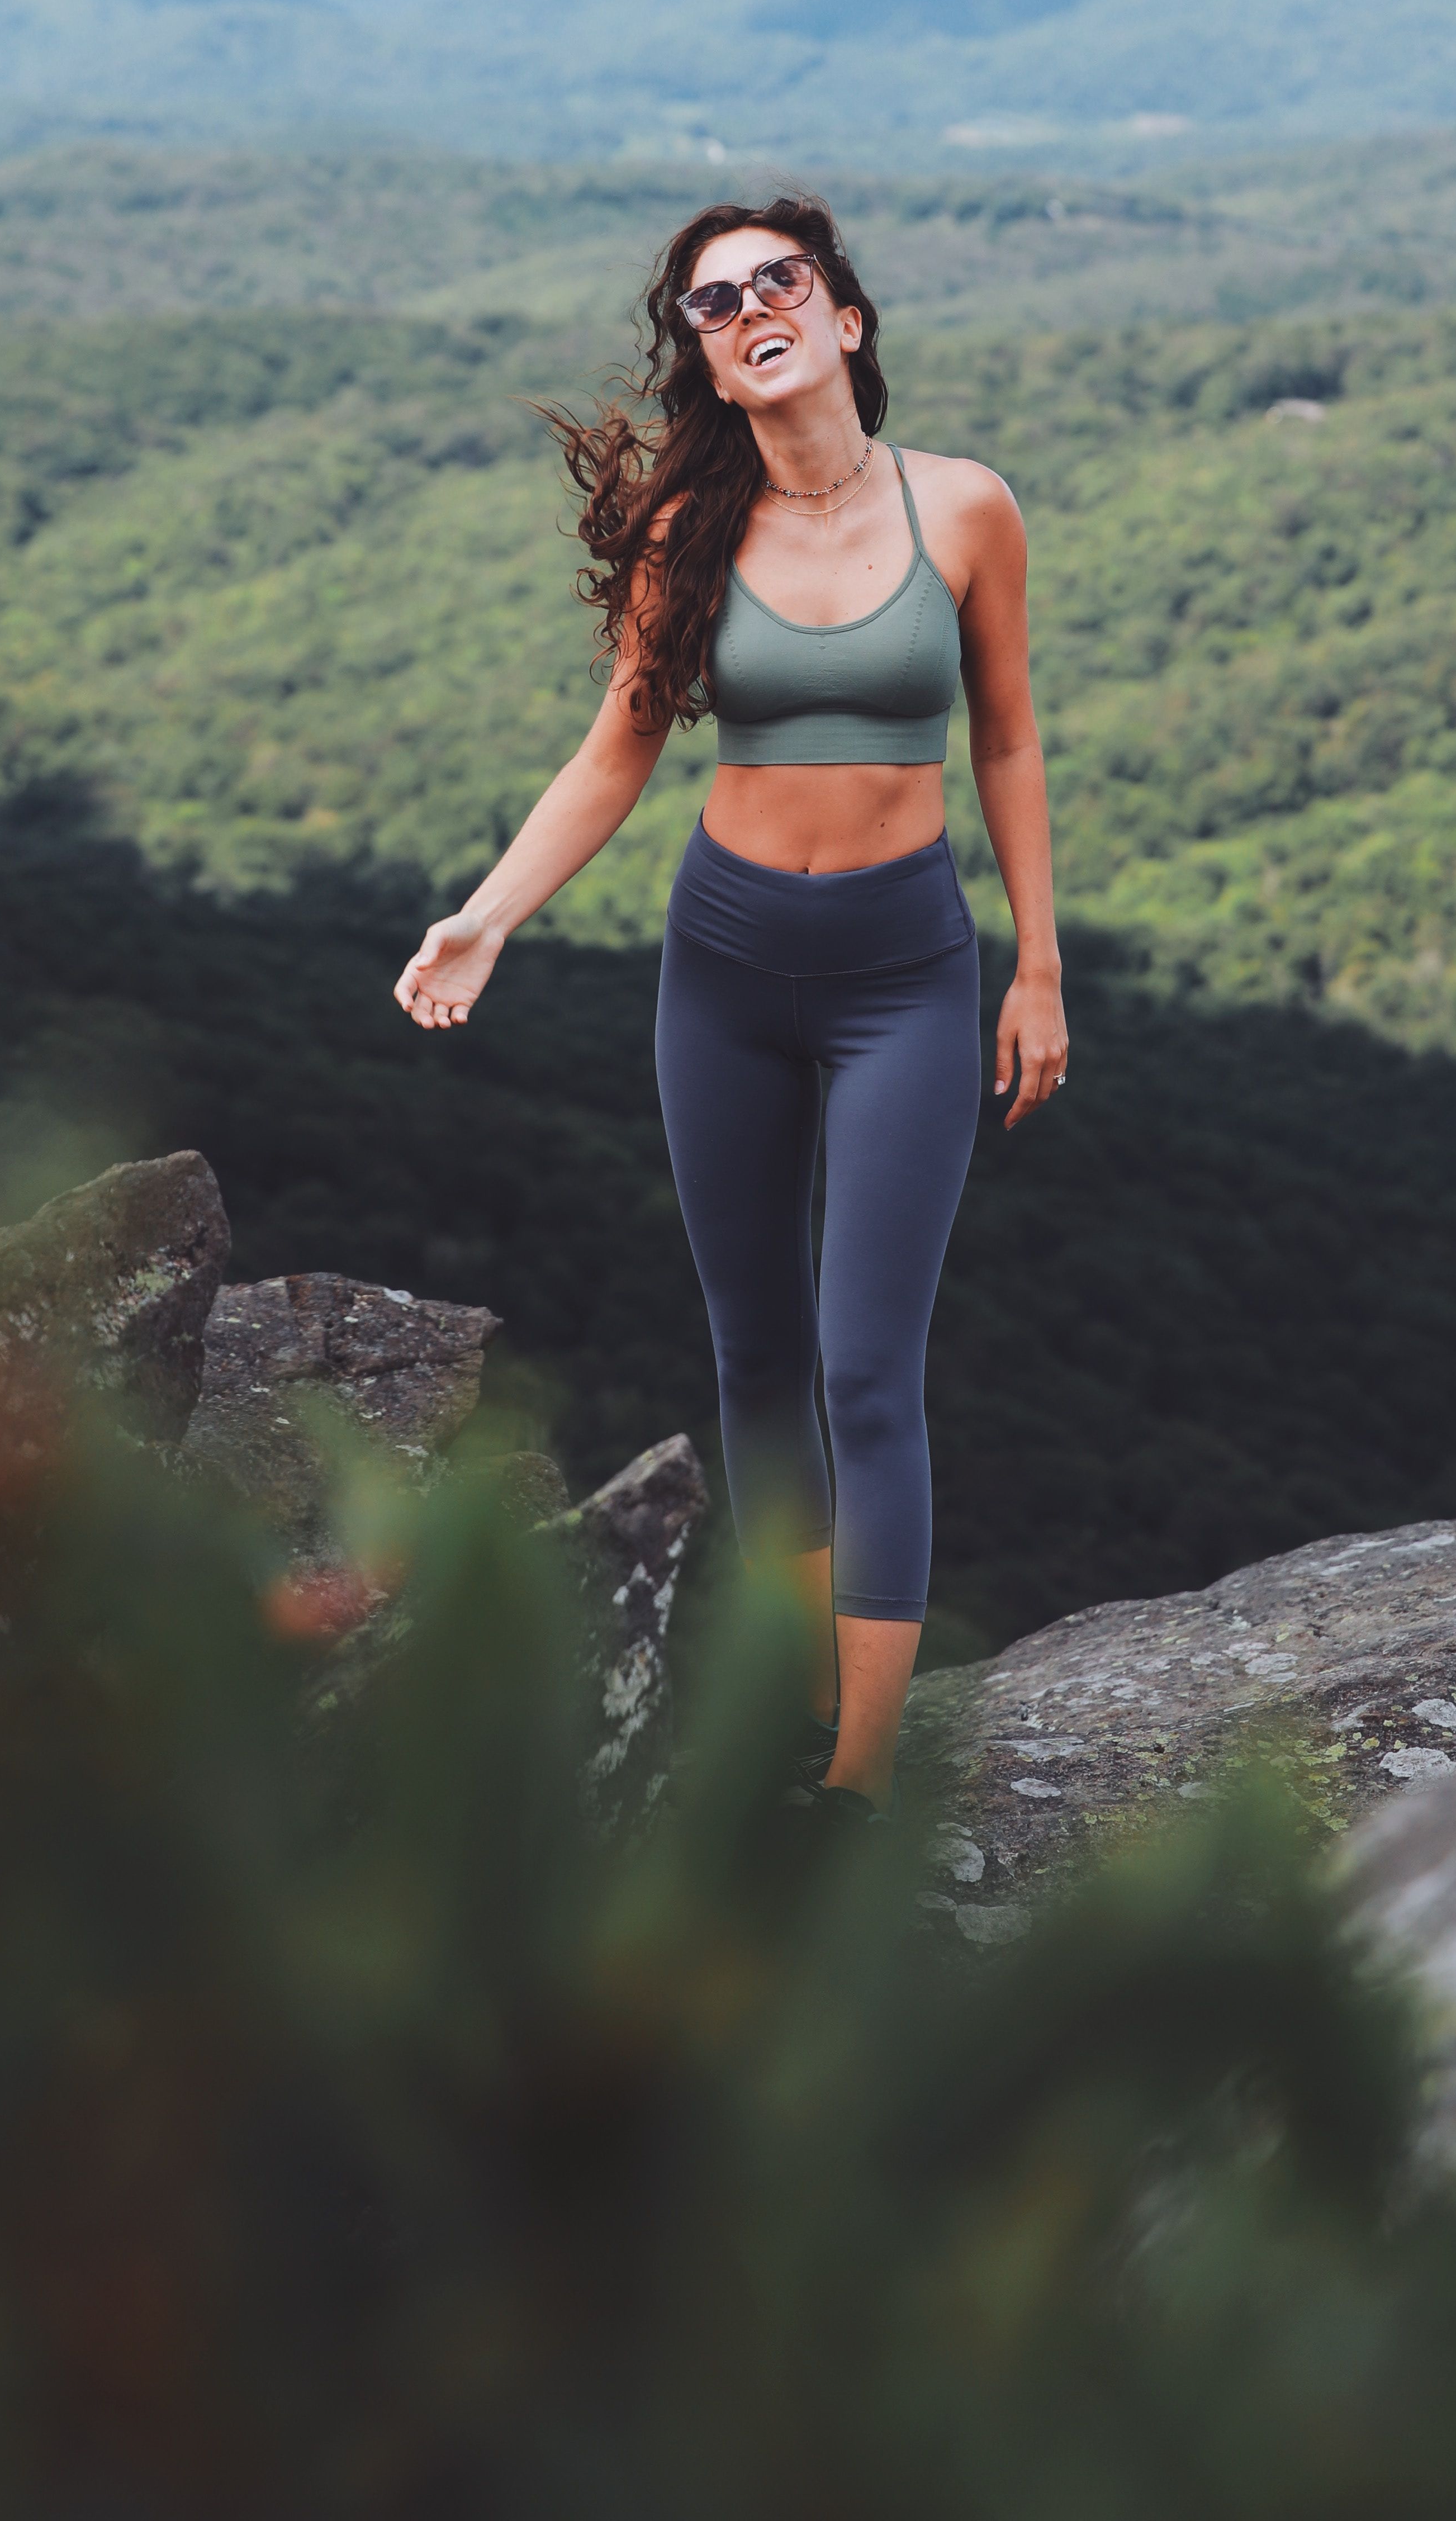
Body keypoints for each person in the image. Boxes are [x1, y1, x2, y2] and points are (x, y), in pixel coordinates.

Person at [394, 191, 1068, 1822]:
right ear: (704, 356)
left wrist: (1039, 966)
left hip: (909, 971)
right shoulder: (686, 538)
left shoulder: (965, 511)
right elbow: (618, 748)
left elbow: (1008, 740)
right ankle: (787, 1704)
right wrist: (487, 918)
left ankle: (860, 1771)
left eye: (782, 280)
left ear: (846, 319)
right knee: (756, 1356)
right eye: (713, 302)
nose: (751, 305)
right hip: (728, 968)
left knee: (864, 1370)